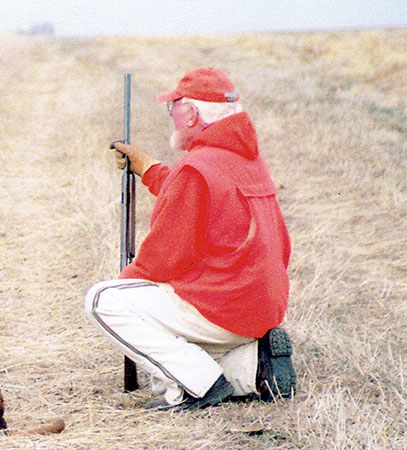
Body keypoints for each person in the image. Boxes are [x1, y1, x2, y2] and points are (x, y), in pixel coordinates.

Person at [83, 67, 296, 410]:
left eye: (175, 108)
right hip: (262, 308)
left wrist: (126, 290)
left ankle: (200, 386)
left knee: (102, 301)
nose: (172, 116)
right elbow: (195, 194)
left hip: (223, 307)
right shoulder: (248, 159)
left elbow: (161, 258)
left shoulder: (197, 167)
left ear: (193, 114)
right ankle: (252, 367)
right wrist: (149, 168)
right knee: (171, 355)